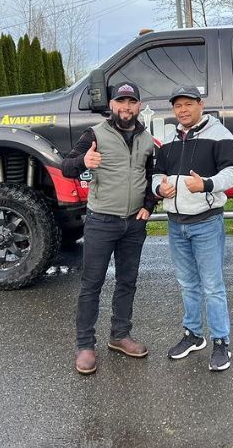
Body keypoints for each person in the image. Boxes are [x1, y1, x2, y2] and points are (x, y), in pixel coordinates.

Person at [61, 81, 156, 375]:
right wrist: (84, 160)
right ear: (112, 105)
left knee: (127, 282)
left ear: (138, 106)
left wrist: (149, 206)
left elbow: (152, 175)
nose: (126, 107)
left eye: (131, 102)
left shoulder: (147, 139)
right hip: (101, 221)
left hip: (133, 224)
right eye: (121, 101)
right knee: (92, 284)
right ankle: (85, 346)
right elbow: (66, 166)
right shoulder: (95, 134)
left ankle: (120, 336)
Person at [152, 85, 233, 371]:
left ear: (200, 105)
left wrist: (206, 184)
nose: (183, 110)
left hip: (206, 223)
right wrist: (159, 188)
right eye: (178, 106)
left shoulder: (220, 135)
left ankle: (221, 342)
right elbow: (157, 174)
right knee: (187, 284)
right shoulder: (168, 138)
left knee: (212, 286)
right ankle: (193, 335)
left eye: (188, 104)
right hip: (176, 224)